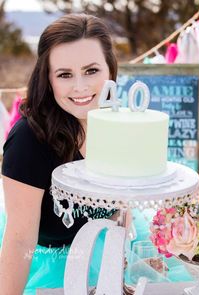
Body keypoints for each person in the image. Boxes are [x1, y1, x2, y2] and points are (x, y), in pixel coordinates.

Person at [0, 13, 118, 294]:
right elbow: (19, 242)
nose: (80, 87)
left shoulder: (120, 125)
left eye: (91, 71)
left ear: (110, 70)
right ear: (48, 79)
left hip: (108, 254)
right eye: (65, 74)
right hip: (46, 262)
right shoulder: (29, 140)